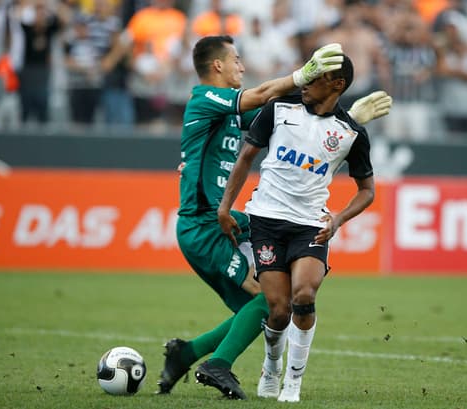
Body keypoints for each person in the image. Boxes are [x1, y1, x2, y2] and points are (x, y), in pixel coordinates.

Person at [155, 36, 391, 400]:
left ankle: (186, 353)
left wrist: (347, 120)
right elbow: (265, 95)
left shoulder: (236, 111)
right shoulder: (204, 98)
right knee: (270, 301)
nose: (242, 66)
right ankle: (216, 364)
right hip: (205, 224)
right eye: (236, 60)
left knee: (267, 305)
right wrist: (302, 74)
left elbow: (293, 116)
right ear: (217, 65)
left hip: (235, 217)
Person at [217, 54, 379, 403]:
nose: (306, 82)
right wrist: (225, 205)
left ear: (337, 85)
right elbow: (246, 157)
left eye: (316, 77)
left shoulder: (351, 132)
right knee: (278, 309)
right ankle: (272, 367)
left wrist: (337, 219)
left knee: (304, 295)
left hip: (310, 226)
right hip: (266, 220)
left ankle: (294, 380)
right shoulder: (278, 110)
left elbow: (367, 191)